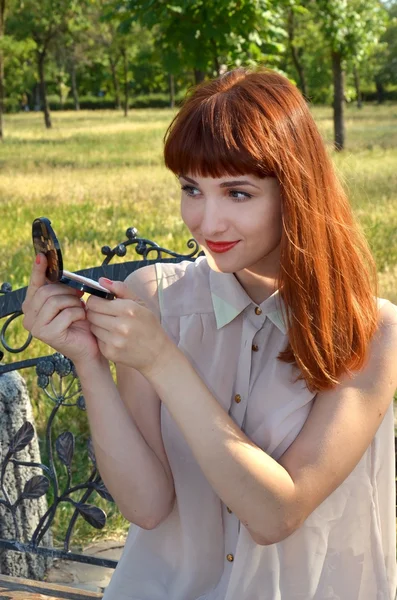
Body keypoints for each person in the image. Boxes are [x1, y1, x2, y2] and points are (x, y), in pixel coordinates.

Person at [22, 67, 397, 600]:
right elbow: (147, 506)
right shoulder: (156, 298)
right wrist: (88, 361)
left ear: (295, 190)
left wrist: (164, 362)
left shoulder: (370, 331)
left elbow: (276, 514)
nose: (206, 221)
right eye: (191, 188)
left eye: (238, 193)